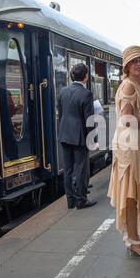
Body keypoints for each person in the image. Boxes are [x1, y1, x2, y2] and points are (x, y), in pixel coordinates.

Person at [107, 45, 140, 257]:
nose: (139, 64)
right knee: (130, 196)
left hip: (137, 148)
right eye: (134, 60)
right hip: (130, 150)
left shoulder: (137, 84)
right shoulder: (129, 86)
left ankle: (133, 235)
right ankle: (134, 241)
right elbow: (127, 119)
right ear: (127, 65)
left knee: (133, 194)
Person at [58, 63, 97, 210]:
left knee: (68, 170)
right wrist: (92, 139)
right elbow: (89, 120)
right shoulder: (86, 94)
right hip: (79, 136)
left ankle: (70, 201)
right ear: (86, 77)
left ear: (72, 76)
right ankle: (81, 200)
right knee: (81, 169)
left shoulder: (62, 91)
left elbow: (61, 114)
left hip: (64, 134)